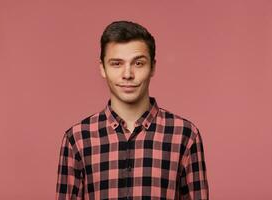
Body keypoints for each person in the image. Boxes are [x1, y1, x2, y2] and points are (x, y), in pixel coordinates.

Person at [55, 20, 209, 200]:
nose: (127, 74)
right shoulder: (77, 139)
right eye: (116, 64)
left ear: (153, 67)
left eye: (138, 63)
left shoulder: (185, 135)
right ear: (102, 68)